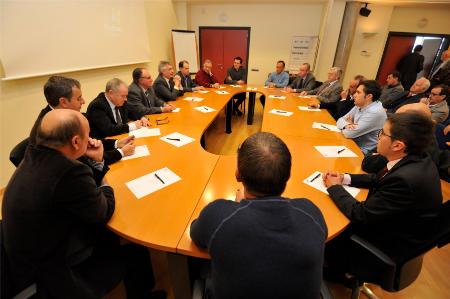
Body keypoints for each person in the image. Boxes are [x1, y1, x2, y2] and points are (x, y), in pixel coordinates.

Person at [2, 109, 163, 299]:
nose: (92, 139)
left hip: (25, 254)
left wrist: (95, 162)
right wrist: (105, 181)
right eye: (88, 135)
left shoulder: (33, 153)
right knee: (134, 245)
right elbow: (103, 211)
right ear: (76, 142)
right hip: (59, 267)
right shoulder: (69, 171)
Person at [190, 132, 327, 299]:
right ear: (288, 176)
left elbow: (195, 234)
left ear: (237, 174)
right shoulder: (311, 212)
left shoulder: (218, 215)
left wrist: (238, 207)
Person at [323, 112, 442, 282]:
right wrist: (344, 178)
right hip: (397, 227)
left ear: (397, 145)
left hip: (385, 244)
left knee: (326, 223)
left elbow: (360, 214)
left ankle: (335, 272)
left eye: (382, 133)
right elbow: (379, 178)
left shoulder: (406, 179)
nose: (378, 137)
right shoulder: (415, 159)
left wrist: (334, 187)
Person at [29, 76, 135, 166]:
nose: (84, 101)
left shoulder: (62, 116)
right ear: (63, 102)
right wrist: (120, 153)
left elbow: (90, 141)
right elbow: (85, 161)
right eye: (79, 98)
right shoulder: (56, 127)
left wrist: (116, 143)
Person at [362, 103, 450, 182]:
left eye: (399, 118)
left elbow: (368, 164)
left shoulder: (412, 147)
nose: (393, 121)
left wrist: (375, 155)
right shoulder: (418, 138)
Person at [336, 80, 387, 154]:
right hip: (351, 142)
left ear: (369, 96)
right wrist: (347, 125)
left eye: (358, 92)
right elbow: (340, 120)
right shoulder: (360, 103)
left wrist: (348, 126)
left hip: (363, 151)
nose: (354, 95)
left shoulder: (375, 112)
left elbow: (349, 133)